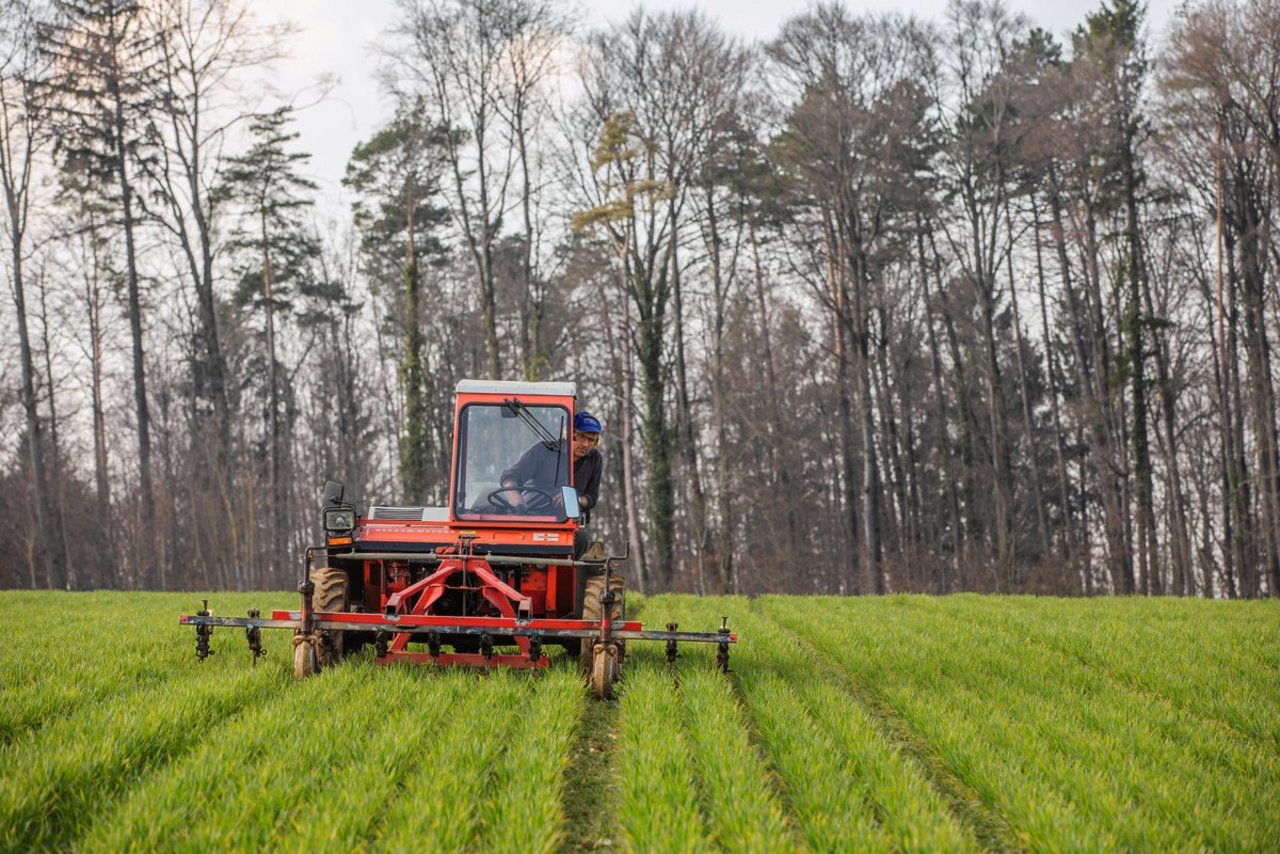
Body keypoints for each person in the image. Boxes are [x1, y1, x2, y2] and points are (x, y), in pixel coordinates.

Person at [497, 411, 603, 520]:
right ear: (569, 433)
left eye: (591, 440)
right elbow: (510, 476)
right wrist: (516, 500)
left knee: (583, 537)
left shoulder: (594, 459)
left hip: (566, 523)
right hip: (530, 516)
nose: (585, 444)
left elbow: (592, 498)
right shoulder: (544, 450)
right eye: (582, 437)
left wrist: (575, 499)